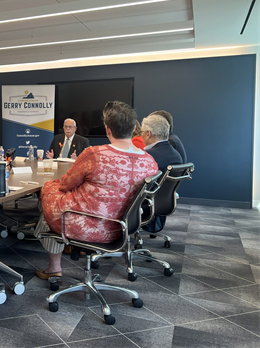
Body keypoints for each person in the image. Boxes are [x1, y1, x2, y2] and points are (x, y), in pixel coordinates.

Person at [34, 101, 158, 279]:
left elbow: (65, 185)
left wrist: (49, 186)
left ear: (108, 130)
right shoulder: (150, 161)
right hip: (125, 227)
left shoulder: (94, 154)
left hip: (89, 226)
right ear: (133, 129)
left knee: (49, 202)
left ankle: (54, 267)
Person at [141, 114, 183, 233]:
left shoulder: (148, 157)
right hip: (163, 202)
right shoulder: (176, 154)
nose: (141, 135)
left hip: (145, 204)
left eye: (142, 132)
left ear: (148, 133)